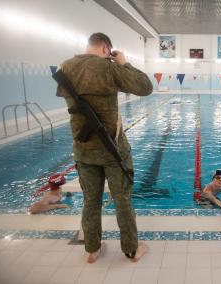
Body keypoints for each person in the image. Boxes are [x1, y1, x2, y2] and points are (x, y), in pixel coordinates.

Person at [56, 32, 153, 263]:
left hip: (83, 149)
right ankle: (131, 249)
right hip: (113, 150)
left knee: (91, 200)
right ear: (105, 48)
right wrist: (124, 63)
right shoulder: (108, 67)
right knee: (123, 200)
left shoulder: (65, 68)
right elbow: (145, 87)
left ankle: (92, 249)